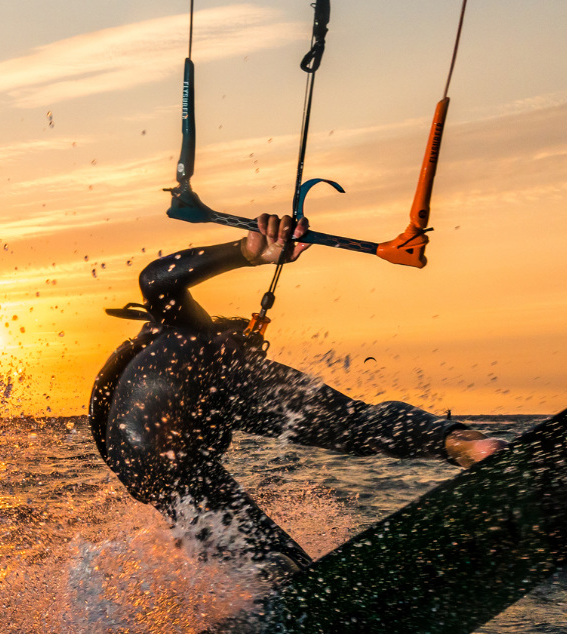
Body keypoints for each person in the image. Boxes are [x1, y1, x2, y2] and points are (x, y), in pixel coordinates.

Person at [90, 214, 508, 581]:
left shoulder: (175, 360)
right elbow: (154, 280)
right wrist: (244, 252)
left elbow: (155, 283)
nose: (252, 347)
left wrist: (251, 250)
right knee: (358, 424)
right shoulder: (179, 338)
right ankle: (467, 445)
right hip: (156, 448)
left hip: (150, 461)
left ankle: (282, 585)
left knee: (268, 564)